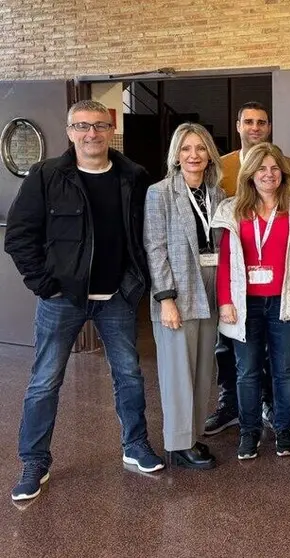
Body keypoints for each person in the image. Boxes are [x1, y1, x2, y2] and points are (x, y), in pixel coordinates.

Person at [5, 100, 164, 501]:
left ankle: (135, 445)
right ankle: (34, 461)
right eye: (82, 126)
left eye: (98, 126)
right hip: (62, 299)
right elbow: (19, 236)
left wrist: (137, 281)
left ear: (111, 130)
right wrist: (44, 284)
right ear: (69, 131)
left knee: (129, 375)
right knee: (45, 381)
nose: (90, 134)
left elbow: (146, 233)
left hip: (116, 297)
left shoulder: (134, 176)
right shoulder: (46, 176)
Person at [213, 143, 290, 460]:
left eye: (274, 168)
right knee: (246, 372)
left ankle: (284, 430)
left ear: (282, 174)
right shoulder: (235, 210)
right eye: (262, 168)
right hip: (245, 304)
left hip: (285, 300)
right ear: (250, 174)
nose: (269, 174)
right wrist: (225, 301)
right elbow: (225, 262)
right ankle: (249, 434)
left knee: (285, 370)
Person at [205, 101, 290, 437]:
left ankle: (273, 408)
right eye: (248, 122)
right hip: (233, 268)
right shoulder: (221, 166)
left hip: (275, 282)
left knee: (280, 357)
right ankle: (230, 402)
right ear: (238, 126)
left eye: (261, 122)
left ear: (269, 127)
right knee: (230, 349)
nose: (255, 127)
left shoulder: (288, 165)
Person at [143, 123, 226, 470]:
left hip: (211, 287)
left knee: (203, 369)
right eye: (186, 149)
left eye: (200, 148)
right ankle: (177, 444)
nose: (194, 155)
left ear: (209, 154)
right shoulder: (159, 193)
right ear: (176, 155)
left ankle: (192, 437)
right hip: (178, 291)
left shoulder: (218, 194)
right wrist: (166, 299)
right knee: (178, 371)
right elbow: (155, 247)